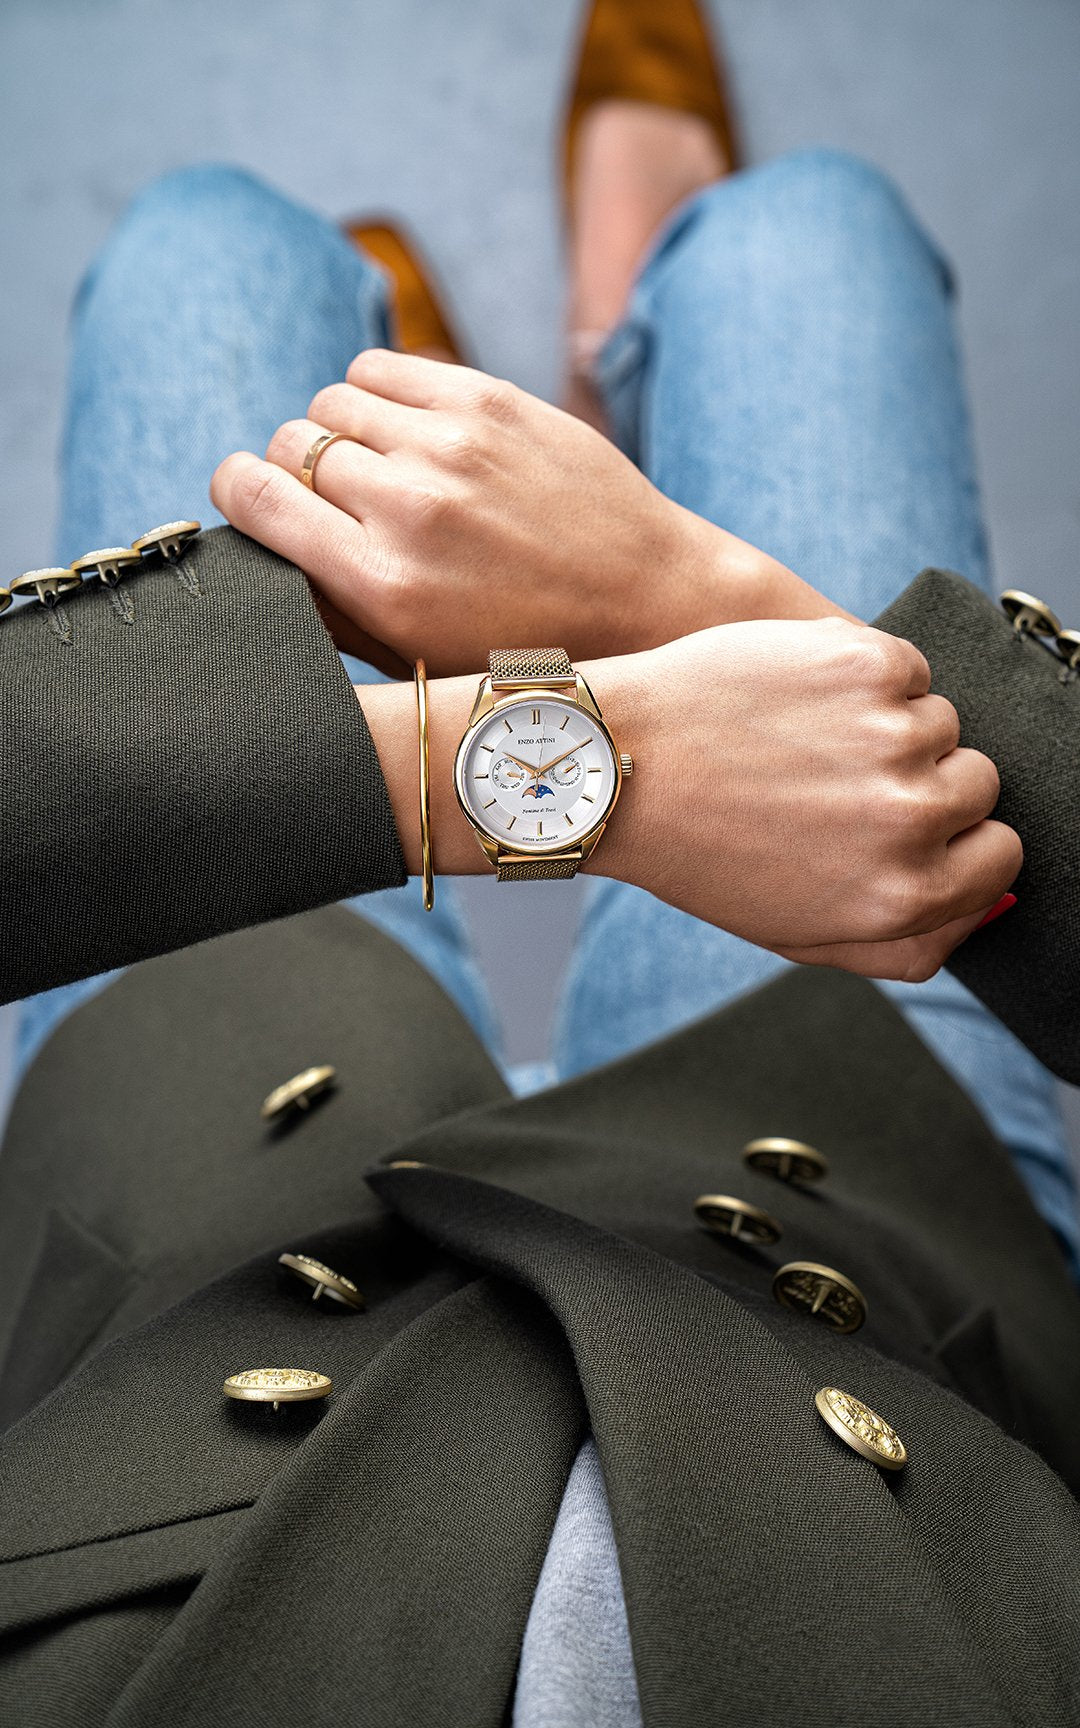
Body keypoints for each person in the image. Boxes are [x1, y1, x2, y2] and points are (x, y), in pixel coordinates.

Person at [1, 1, 1078, 1723]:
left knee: (207, 242)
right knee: (810, 237)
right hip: (867, 1208)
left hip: (206, 1184)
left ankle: (492, 445)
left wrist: (492, 762)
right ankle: (599, 374)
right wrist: (680, 596)